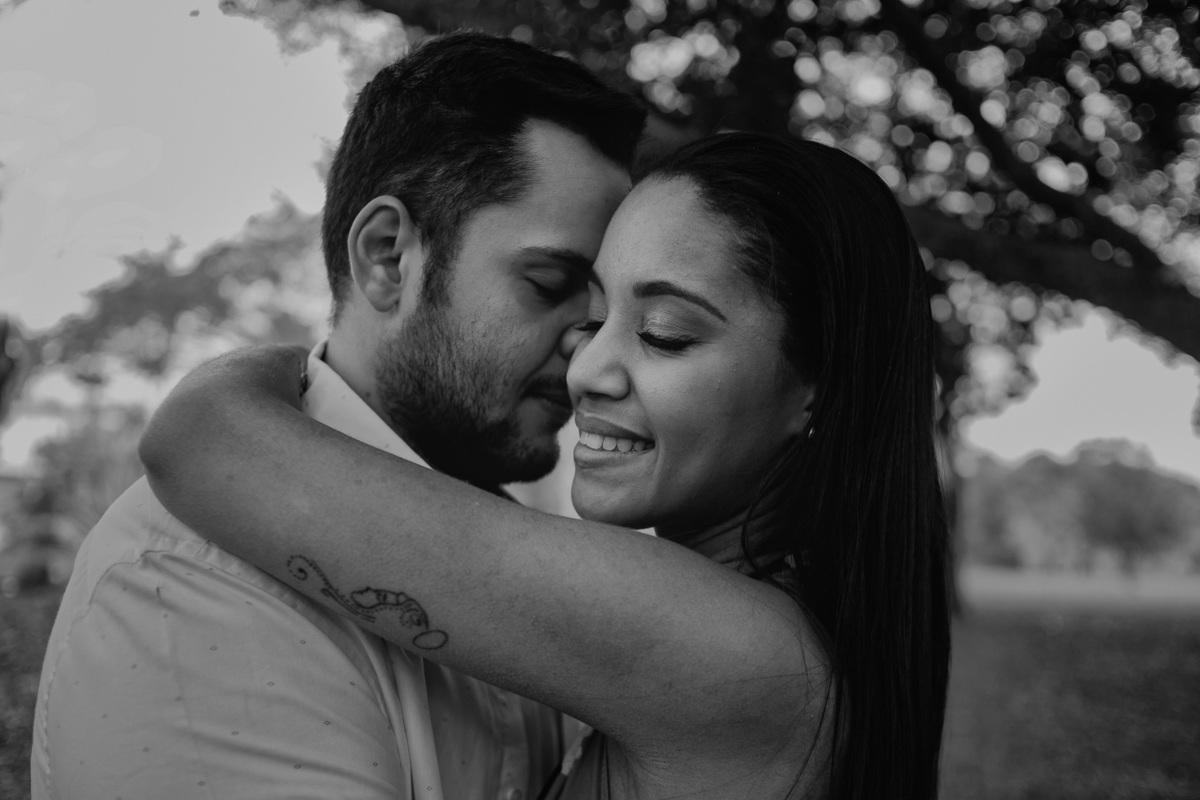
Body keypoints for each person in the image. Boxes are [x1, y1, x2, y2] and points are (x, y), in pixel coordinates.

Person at [141, 132, 952, 799]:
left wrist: (293, 365)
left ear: (818, 388)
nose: (587, 369)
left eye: (664, 332)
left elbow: (200, 442)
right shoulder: (789, 636)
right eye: (596, 315)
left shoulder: (734, 650)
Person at [31, 31, 645, 800]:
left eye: (608, 312)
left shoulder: (523, 560)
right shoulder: (190, 588)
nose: (591, 357)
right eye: (550, 283)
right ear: (388, 256)